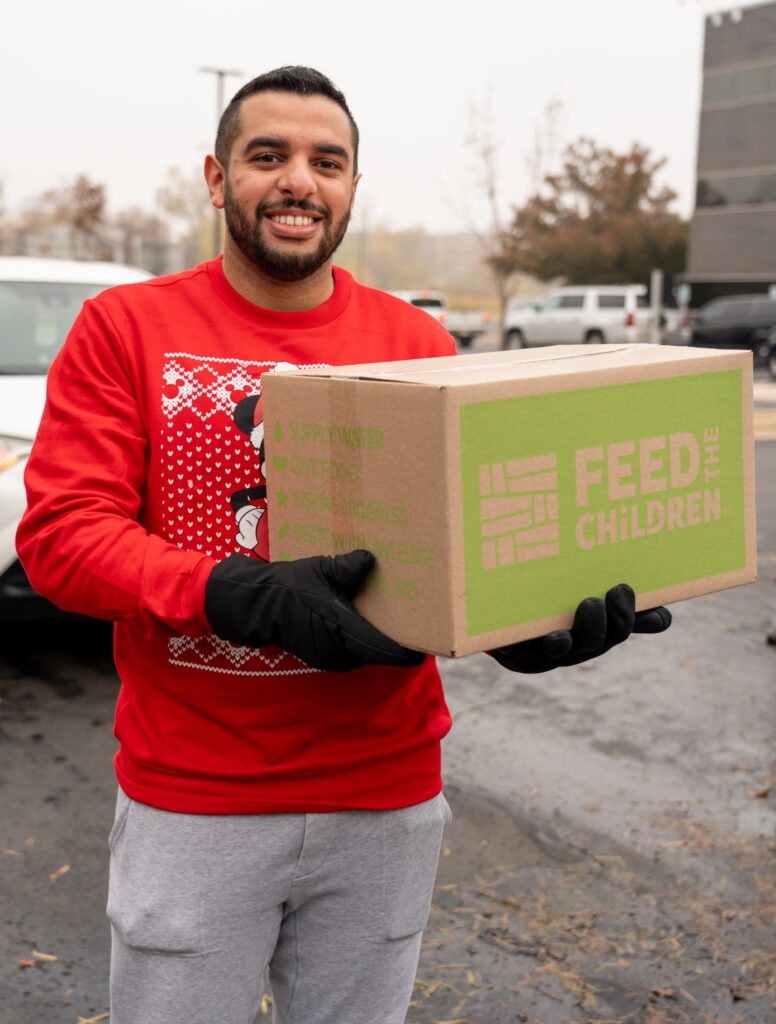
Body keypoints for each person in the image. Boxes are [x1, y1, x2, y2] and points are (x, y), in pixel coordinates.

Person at [16, 66, 671, 1024]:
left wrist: (520, 625)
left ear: (353, 187)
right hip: (196, 799)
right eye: (267, 156)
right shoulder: (127, 327)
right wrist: (238, 594)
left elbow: (464, 547)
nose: (299, 181)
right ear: (215, 178)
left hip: (386, 797)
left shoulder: (414, 344)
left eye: (328, 162)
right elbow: (63, 539)